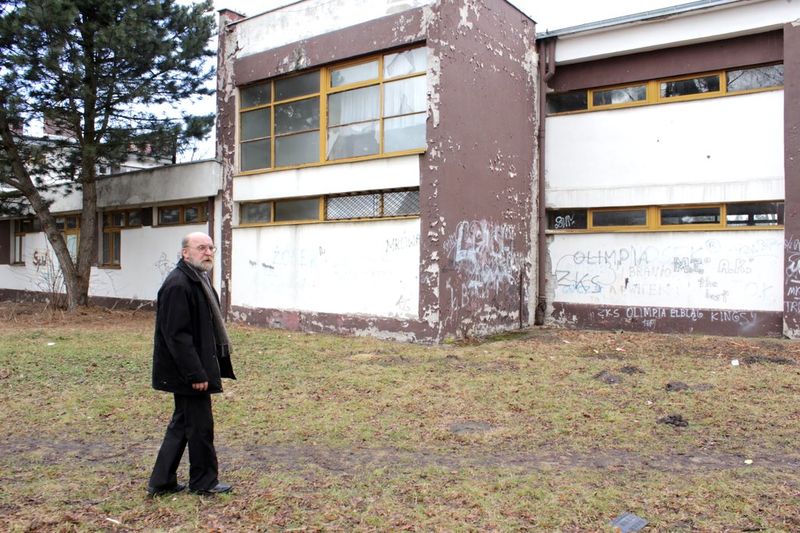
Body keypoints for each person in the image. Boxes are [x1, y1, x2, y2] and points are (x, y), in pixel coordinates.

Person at [147, 232, 236, 496]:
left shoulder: (198, 279)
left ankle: (162, 482)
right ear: (185, 253)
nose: (207, 252)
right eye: (200, 248)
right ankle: (203, 482)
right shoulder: (179, 284)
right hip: (188, 372)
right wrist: (195, 373)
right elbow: (177, 336)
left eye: (210, 247)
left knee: (183, 425)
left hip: (193, 368)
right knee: (199, 428)